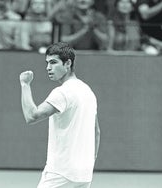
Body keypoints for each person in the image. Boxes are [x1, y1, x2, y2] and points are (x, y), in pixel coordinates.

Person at [19, 42, 100, 188]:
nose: (48, 68)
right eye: (47, 63)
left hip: (60, 173)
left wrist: (25, 85)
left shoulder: (63, 92)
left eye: (53, 62)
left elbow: (31, 116)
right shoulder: (88, 92)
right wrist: (88, 162)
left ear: (68, 63)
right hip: (84, 175)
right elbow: (97, 132)